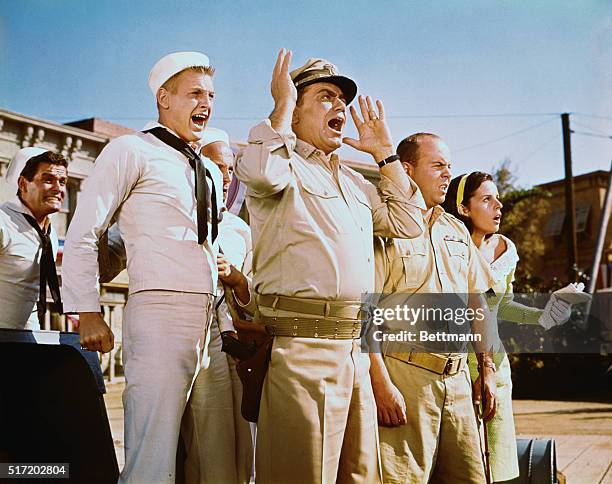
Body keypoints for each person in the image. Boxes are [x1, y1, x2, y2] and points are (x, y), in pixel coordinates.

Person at [234, 49, 425, 484]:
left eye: (343, 99)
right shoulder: (279, 165)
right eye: (324, 97)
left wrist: (384, 155)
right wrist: (279, 108)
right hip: (301, 351)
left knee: (358, 476)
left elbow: (408, 222)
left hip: (354, 353)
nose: (340, 106)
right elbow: (261, 174)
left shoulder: (356, 181)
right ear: (295, 110)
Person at [62, 51, 224, 483]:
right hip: (159, 313)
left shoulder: (207, 168)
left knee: (203, 455)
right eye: (194, 93)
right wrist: (89, 311)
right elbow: (84, 231)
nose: (205, 103)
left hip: (207, 318)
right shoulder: (131, 149)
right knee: (151, 451)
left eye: (210, 94)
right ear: (164, 98)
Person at [370, 133, 498, 483]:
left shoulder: (455, 229)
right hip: (406, 380)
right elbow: (366, 315)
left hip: (457, 383)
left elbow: (478, 305)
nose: (447, 175)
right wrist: (380, 383)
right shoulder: (383, 230)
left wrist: (485, 369)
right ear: (407, 170)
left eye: (449, 167)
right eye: (438, 165)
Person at [441, 171, 572, 482]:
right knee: (463, 466)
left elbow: (504, 306)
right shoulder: (445, 248)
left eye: (498, 198)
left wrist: (544, 315)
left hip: (497, 370)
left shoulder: (506, 250)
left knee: (499, 466)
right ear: (463, 208)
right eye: (487, 199)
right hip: (455, 370)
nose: (499, 205)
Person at [180, 128, 254, 484]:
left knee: (244, 439)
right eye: (217, 166)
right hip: (192, 339)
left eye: (230, 169)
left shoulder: (239, 229)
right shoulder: (176, 217)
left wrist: (238, 279)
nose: (225, 177)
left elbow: (256, 293)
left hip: (236, 347)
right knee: (208, 440)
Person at [0, 148, 67, 330]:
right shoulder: (3, 222)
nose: (58, 188)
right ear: (22, 184)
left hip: (24, 340)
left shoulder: (49, 232)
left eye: (62, 181)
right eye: (48, 180)